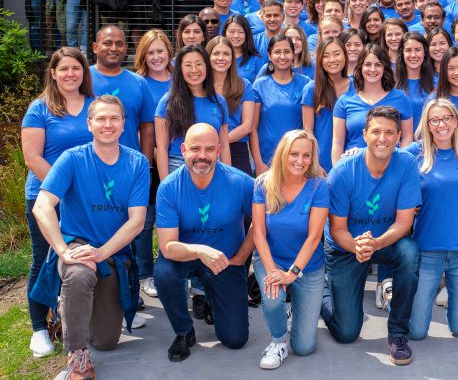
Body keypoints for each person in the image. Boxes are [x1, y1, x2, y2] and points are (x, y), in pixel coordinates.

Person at [32, 95, 149, 379]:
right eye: (101, 118)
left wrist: (102, 253)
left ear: (124, 124)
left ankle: (72, 310)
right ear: (89, 123)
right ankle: (77, 356)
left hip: (113, 252)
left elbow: (137, 221)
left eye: (114, 118)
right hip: (77, 244)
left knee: (106, 342)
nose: (108, 124)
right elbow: (42, 206)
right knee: (79, 274)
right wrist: (63, 251)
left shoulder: (137, 163)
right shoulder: (72, 159)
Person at [322, 106, 421, 365]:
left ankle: (397, 333)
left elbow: (404, 222)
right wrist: (358, 246)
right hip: (346, 246)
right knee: (346, 333)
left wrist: (375, 243)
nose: (382, 138)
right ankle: (320, 292)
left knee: (409, 251)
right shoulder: (343, 171)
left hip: (384, 241)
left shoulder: (406, 164)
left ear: (398, 136)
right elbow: (337, 229)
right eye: (376, 131)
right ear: (365, 134)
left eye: (389, 132)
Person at [154, 123, 254, 362]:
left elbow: (261, 224)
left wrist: (241, 257)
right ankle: (183, 331)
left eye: (209, 149)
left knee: (235, 339)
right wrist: (200, 250)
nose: (202, 156)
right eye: (195, 149)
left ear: (219, 150)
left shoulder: (241, 182)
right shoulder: (169, 187)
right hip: (184, 257)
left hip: (225, 260)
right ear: (183, 150)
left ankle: (212, 299)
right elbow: (167, 246)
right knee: (164, 274)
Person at [21, 48, 94, 359]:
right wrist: (62, 190)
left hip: (86, 199)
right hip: (46, 197)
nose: (70, 74)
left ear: (83, 72)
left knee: (82, 256)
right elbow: (32, 158)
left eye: (76, 68)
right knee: (45, 259)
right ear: (52, 73)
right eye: (63, 69)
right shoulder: (40, 109)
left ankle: (78, 319)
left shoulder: (93, 105)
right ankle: (39, 327)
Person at [252, 130, 330, 369]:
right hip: (272, 259)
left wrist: (292, 273)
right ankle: (278, 342)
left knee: (304, 347)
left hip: (308, 266)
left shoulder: (319, 186)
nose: (300, 160)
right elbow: (258, 233)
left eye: (306, 155)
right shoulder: (263, 183)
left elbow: (314, 237)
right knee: (273, 298)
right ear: (283, 154)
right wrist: (274, 272)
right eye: (294, 154)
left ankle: (299, 311)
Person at [406, 99, 458, 340]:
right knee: (416, 332)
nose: (441, 125)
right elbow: (383, 158)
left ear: (456, 121)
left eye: (446, 118)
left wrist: (456, 209)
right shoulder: (413, 154)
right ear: (427, 124)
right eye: (435, 120)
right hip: (427, 249)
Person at [133, 30, 173, 298]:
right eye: (151, 52)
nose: (156, 57)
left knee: (171, 217)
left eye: (160, 51)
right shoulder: (139, 83)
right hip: (147, 159)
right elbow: (137, 122)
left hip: (176, 159)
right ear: (143, 56)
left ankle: (169, 271)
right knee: (146, 220)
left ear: (169, 52)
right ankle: (145, 274)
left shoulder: (180, 79)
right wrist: (152, 148)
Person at [155, 45, 231, 180]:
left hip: (212, 167)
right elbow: (161, 149)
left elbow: (224, 146)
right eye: (188, 65)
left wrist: (227, 179)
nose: (194, 70)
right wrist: (165, 184)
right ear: (180, 69)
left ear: (207, 67)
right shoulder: (167, 102)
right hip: (178, 167)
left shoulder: (219, 101)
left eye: (199, 64)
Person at [332, 43, 414, 162]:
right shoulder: (344, 101)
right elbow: (337, 143)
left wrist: (398, 164)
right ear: (360, 67)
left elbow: (407, 137)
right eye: (368, 64)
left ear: (385, 68)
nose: (372, 69)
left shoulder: (401, 98)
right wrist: (337, 169)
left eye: (378, 65)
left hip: (391, 165)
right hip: (354, 166)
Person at [90, 25, 155, 164]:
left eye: (119, 44)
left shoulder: (139, 83)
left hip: (129, 165)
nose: (113, 48)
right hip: (88, 164)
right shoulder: (82, 79)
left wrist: (146, 166)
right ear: (95, 47)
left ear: (125, 48)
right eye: (107, 43)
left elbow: (147, 127)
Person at [252, 34, 312, 174]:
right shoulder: (259, 85)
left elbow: (308, 128)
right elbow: (252, 128)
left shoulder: (305, 83)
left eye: (287, 51)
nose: (283, 56)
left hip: (297, 160)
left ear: (293, 54)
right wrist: (258, 163)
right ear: (269, 55)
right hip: (267, 160)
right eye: (277, 52)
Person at [302, 37, 354, 172]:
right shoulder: (311, 89)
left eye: (337, 54)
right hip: (322, 163)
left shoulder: (358, 86)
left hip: (353, 158)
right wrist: (314, 164)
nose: (332, 60)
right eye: (326, 56)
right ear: (320, 60)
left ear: (345, 55)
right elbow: (308, 131)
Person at [207, 37, 255, 175]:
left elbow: (247, 125)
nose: (221, 58)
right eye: (216, 53)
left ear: (232, 58)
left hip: (237, 148)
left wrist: (220, 142)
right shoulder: (200, 86)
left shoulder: (244, 86)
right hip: (205, 150)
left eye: (226, 54)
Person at [395, 32, 435, 128]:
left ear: (425, 53)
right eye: (408, 50)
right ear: (402, 54)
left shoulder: (436, 84)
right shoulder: (392, 84)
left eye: (417, 50)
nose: (413, 55)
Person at [222, 14, 265, 83]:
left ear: (247, 34)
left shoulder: (256, 58)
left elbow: (261, 85)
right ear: (225, 33)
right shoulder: (219, 57)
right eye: (232, 32)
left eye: (241, 32)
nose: (236, 36)